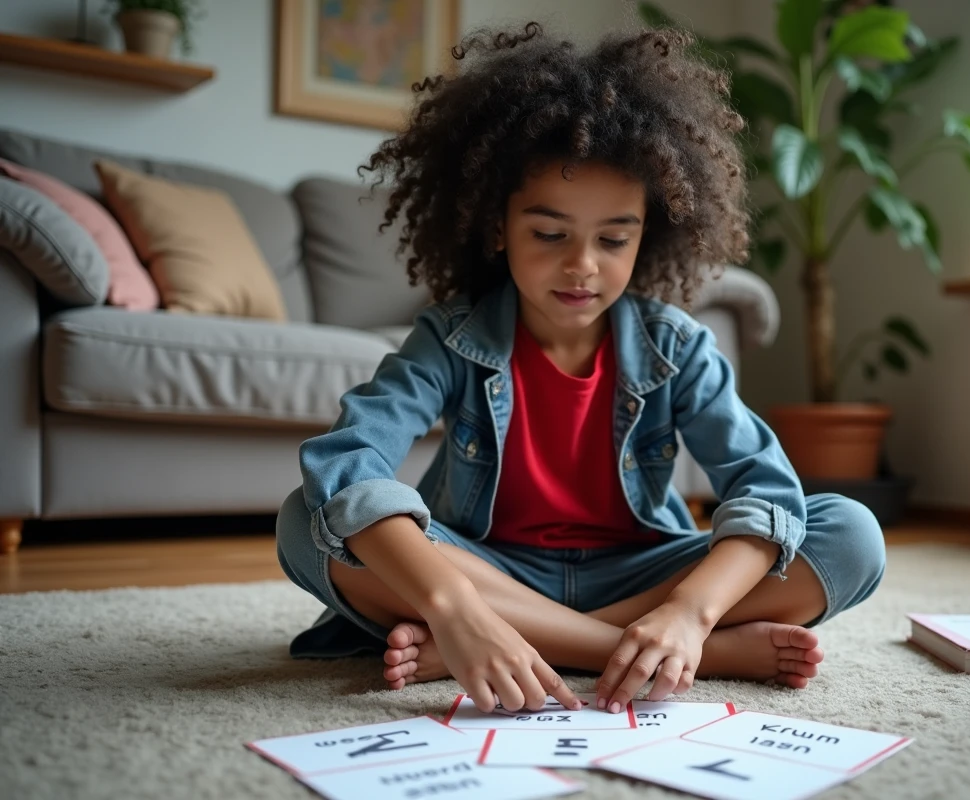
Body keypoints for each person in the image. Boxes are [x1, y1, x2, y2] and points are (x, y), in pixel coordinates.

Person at [276, 21, 885, 717]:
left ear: (648, 235)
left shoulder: (678, 348)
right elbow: (349, 463)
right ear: (497, 225)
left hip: (641, 575)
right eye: (549, 233)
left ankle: (538, 640)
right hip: (487, 571)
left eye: (614, 239)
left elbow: (768, 491)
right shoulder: (449, 339)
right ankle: (614, 648)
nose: (582, 265)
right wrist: (455, 607)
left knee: (850, 533)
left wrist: (689, 610)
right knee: (306, 520)